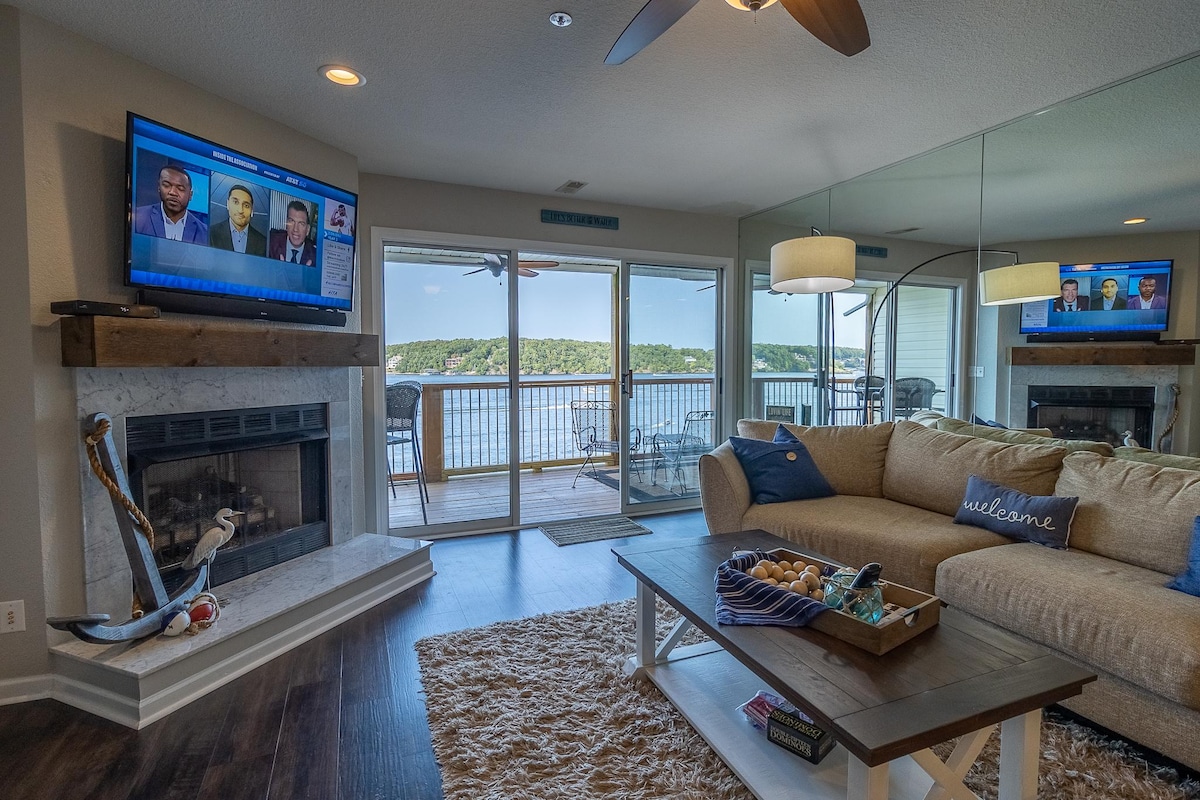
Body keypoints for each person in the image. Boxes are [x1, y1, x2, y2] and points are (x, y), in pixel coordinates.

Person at [132, 164, 208, 243]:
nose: (173, 192)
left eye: (180, 188)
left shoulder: (204, 232)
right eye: (166, 185)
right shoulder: (137, 218)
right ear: (159, 187)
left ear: (190, 195)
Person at [209, 185, 267, 256]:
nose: (240, 210)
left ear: (252, 210)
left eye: (246, 205)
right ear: (228, 204)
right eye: (236, 202)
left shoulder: (263, 242)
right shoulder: (211, 233)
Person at [268, 200, 317, 266]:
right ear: (286, 224)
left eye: (301, 224)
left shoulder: (315, 256)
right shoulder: (271, 243)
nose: (295, 229)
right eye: (291, 221)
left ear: (307, 230)